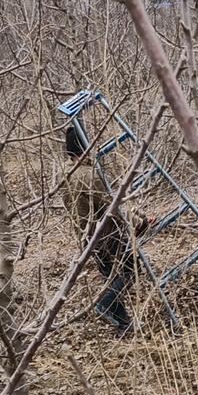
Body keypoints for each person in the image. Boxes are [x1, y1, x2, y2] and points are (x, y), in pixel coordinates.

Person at [62, 128, 144, 333]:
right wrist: (137, 221)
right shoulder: (88, 175)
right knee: (130, 272)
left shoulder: (66, 173)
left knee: (111, 278)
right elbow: (111, 206)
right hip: (106, 233)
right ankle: (104, 305)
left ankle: (123, 325)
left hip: (87, 237)